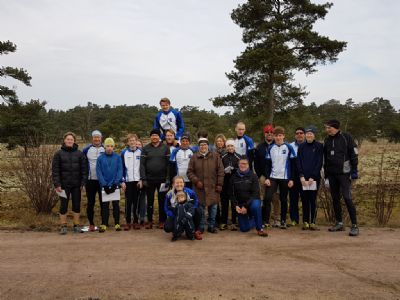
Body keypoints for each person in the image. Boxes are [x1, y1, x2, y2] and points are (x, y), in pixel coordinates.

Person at [323, 119, 359, 236]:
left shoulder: (346, 137)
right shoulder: (327, 140)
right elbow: (326, 158)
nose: (327, 130)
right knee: (335, 199)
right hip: (332, 174)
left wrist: (354, 170)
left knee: (347, 198)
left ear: (336, 127)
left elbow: (353, 153)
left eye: (329, 128)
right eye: (326, 128)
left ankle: (354, 226)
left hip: (344, 173)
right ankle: (339, 223)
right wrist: (326, 176)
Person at [52, 132, 87, 235]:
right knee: (63, 206)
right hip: (63, 185)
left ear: (74, 141)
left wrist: (83, 182)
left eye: (71, 139)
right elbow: (55, 170)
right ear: (64, 140)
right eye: (68, 139)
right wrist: (57, 184)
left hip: (77, 185)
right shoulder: (58, 154)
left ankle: (76, 225)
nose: (70, 141)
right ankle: (63, 226)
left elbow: (84, 170)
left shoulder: (80, 154)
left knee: (76, 205)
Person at [187, 137, 224, 233]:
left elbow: (221, 171)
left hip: (213, 187)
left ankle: (211, 226)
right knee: (201, 208)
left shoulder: (215, 156)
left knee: (213, 208)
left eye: (205, 145)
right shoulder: (194, 157)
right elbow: (190, 172)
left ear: (208, 146)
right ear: (199, 146)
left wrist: (219, 184)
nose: (203, 146)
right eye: (201, 145)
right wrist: (196, 181)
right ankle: (201, 226)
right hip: (200, 188)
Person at [264, 126, 296, 229]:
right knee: (267, 198)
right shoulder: (270, 148)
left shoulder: (289, 147)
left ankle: (283, 221)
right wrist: (267, 178)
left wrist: (291, 179)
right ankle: (266, 221)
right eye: (276, 135)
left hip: (285, 177)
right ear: (273, 136)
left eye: (280, 135)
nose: (278, 137)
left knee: (283, 199)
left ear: (283, 136)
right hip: (273, 177)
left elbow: (294, 164)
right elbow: (267, 165)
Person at [140, 128, 170, 229]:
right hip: (149, 180)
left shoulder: (165, 148)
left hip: (162, 180)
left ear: (159, 137)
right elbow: (142, 165)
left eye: (156, 135)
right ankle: (149, 221)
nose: (154, 137)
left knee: (162, 201)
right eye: (152, 135)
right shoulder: (146, 148)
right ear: (150, 137)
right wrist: (143, 179)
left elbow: (168, 165)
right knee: (150, 201)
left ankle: (162, 221)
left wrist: (168, 179)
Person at [230, 157, 268, 236]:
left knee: (255, 206)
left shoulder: (253, 176)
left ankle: (260, 228)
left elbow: (255, 193)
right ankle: (254, 219)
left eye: (245, 164)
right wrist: (236, 205)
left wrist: (246, 206)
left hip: (252, 202)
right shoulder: (233, 177)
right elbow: (231, 193)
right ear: (238, 164)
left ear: (248, 165)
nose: (242, 165)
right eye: (241, 163)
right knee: (244, 229)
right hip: (240, 204)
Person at [296, 126, 323, 230]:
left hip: (314, 179)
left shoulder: (319, 146)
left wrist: (313, 176)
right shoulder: (301, 146)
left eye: (311, 134)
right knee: (304, 200)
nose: (309, 135)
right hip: (303, 179)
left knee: (312, 200)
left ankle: (313, 222)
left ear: (314, 135)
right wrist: (301, 176)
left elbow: (319, 162)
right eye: (307, 134)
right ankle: (306, 222)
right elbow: (299, 162)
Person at [254, 124, 281, 227]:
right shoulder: (259, 147)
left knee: (275, 197)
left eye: (271, 133)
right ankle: (266, 219)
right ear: (264, 134)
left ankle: (277, 218)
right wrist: (261, 176)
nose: (269, 134)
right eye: (267, 133)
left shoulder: (278, 145)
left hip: (275, 176)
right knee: (265, 198)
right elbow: (256, 163)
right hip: (263, 177)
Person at [96, 138, 123, 232]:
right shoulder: (100, 158)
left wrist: (116, 183)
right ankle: (104, 224)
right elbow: (98, 172)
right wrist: (104, 184)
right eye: (107, 146)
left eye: (111, 146)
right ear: (104, 146)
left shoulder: (118, 157)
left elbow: (120, 170)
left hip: (115, 185)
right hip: (104, 186)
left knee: (116, 205)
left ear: (113, 147)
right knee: (104, 206)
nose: (109, 148)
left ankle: (117, 223)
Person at [164, 176, 203, 240]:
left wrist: (191, 211)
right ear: (173, 184)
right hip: (176, 214)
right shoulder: (169, 194)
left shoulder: (190, 192)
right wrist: (173, 215)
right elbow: (166, 207)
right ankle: (178, 230)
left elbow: (196, 202)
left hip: (188, 214)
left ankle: (195, 231)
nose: (179, 184)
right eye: (177, 183)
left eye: (181, 182)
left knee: (198, 210)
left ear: (184, 184)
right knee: (167, 227)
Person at [82, 130, 105, 232]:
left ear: (101, 138)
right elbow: (82, 164)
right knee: (91, 203)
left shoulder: (105, 148)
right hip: (90, 180)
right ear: (92, 138)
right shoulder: (86, 149)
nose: (96, 139)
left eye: (98, 137)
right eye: (95, 137)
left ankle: (104, 223)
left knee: (103, 203)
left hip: (102, 181)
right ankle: (91, 223)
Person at [121, 134, 143, 230]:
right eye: (130, 141)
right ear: (128, 142)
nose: (132, 142)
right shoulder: (124, 153)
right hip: (128, 181)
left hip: (138, 181)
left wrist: (141, 179)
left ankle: (136, 221)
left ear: (136, 141)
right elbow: (121, 168)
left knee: (137, 202)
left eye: (134, 140)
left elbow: (143, 167)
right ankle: (128, 221)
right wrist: (122, 181)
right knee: (128, 202)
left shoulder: (141, 152)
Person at [219, 139, 241, 231]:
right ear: (226, 147)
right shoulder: (222, 156)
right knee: (224, 203)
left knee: (234, 203)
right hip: (225, 183)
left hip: (235, 184)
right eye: (228, 146)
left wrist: (234, 169)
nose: (230, 148)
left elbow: (242, 168)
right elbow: (219, 168)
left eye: (231, 146)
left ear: (234, 147)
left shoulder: (239, 156)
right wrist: (224, 170)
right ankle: (223, 222)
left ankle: (234, 222)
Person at [289, 127, 305, 227]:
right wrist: (290, 178)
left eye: (301, 133)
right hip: (294, 177)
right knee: (293, 199)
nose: (299, 135)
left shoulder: (308, 145)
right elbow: (289, 163)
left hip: (305, 177)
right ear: (295, 135)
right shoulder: (290, 146)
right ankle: (294, 220)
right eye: (297, 133)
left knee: (305, 199)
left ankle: (307, 220)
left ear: (304, 134)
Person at [136, 139, 146, 227]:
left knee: (142, 199)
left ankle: (142, 217)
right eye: (136, 144)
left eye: (140, 144)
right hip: (133, 180)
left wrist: (143, 179)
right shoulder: (127, 152)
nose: (138, 145)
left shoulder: (144, 154)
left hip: (143, 179)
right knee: (134, 200)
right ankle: (134, 217)